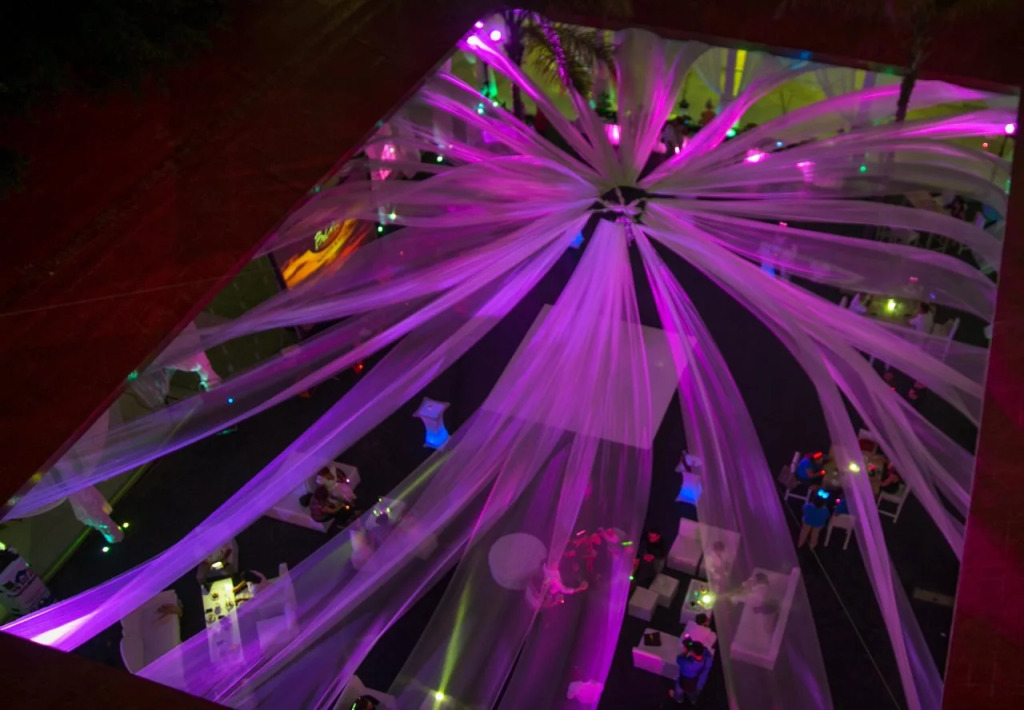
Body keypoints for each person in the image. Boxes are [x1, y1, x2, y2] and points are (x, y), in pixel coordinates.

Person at [671, 639, 713, 705]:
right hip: (700, 683)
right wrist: (694, 646)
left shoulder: (687, 664)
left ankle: (679, 699)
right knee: (694, 694)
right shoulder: (708, 658)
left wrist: (685, 651)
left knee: (679, 688)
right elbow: (704, 649)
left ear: (693, 653)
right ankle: (693, 701)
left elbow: (679, 659)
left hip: (685, 682)